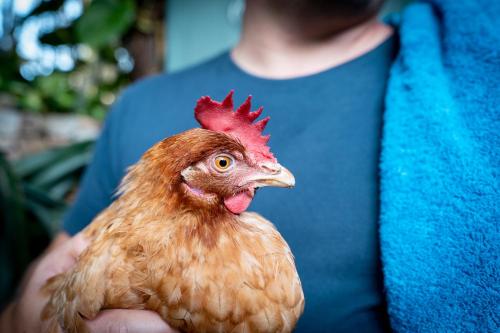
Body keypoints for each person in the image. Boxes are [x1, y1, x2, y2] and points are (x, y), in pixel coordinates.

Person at [5, 0, 497, 331]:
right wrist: (34, 318)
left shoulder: (473, 91)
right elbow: (43, 288)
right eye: (223, 160)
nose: (276, 169)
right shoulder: (137, 107)